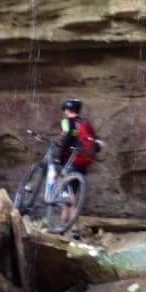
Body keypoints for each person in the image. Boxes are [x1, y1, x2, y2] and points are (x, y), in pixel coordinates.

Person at [56, 98, 100, 234]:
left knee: (65, 197)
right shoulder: (85, 123)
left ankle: (62, 228)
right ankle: (75, 230)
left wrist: (59, 157)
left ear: (67, 110)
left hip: (69, 162)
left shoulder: (66, 122)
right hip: (82, 163)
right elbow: (96, 144)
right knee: (74, 194)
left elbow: (66, 138)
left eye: (65, 110)